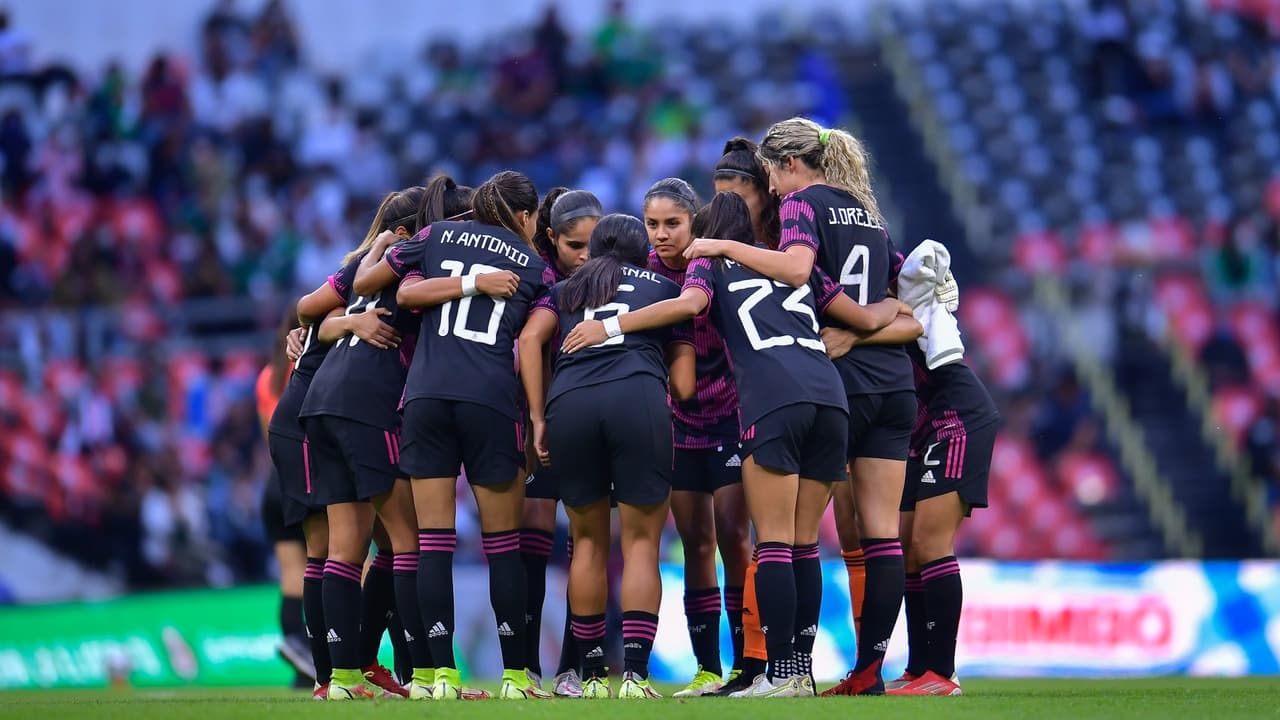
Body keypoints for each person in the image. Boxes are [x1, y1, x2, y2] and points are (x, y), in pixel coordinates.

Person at [561, 192, 905, 698]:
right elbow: (869, 319)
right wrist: (895, 303)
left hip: (772, 401)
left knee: (773, 545)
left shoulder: (709, 264)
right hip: (831, 400)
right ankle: (800, 672)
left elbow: (689, 304)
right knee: (803, 541)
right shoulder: (794, 267)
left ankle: (777, 673)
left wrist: (609, 324)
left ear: (704, 230)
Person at [683, 119, 916, 695]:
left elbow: (789, 267)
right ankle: (837, 672)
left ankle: (777, 671)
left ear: (785, 169)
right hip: (848, 391)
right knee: (839, 539)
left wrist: (713, 247)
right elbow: (888, 311)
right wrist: (878, 317)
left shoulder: (785, 224)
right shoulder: (865, 225)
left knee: (777, 542)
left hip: (789, 392)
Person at [353, 170, 551, 700]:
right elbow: (538, 340)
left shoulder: (434, 238)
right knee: (503, 545)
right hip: (489, 399)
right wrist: (537, 417)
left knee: (432, 543)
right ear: (528, 216)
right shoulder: (535, 264)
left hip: (425, 399)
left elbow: (370, 282)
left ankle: (435, 676)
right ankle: (515, 677)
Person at [520, 213, 696, 699]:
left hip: (569, 405)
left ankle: (592, 675)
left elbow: (530, 340)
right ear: (645, 252)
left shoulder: (567, 290)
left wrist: (538, 416)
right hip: (637, 400)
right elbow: (683, 386)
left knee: (588, 542)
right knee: (641, 544)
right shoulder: (664, 289)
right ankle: (636, 676)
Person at [298, 186, 442, 701]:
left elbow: (307, 311)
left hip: (320, 402)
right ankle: (424, 678)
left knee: (345, 548)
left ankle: (341, 681)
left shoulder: (366, 263)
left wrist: (341, 321)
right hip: (368, 402)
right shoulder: (414, 266)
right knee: (410, 539)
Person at [825, 308, 998, 697]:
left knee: (929, 543)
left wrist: (851, 337)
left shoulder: (882, 307)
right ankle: (919, 667)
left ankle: (943, 672)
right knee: (905, 548)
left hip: (956, 419)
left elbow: (911, 321)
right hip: (920, 433)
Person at [270, 238, 407, 700]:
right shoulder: (367, 270)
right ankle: (335, 675)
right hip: (311, 422)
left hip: (321, 418)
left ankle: (341, 672)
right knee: (332, 550)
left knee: (360, 548)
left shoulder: (375, 270)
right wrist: (346, 321)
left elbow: (312, 317)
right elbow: (310, 311)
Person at [641, 177, 750, 696]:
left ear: (694, 222)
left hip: (730, 417)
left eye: (672, 224)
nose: (662, 235)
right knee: (696, 544)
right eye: (653, 224)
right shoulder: (643, 272)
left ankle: (750, 662)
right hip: (678, 423)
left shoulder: (718, 263)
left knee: (735, 538)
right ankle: (707, 668)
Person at [707, 138, 780, 696]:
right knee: (738, 537)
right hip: (732, 407)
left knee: (774, 537)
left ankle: (776, 662)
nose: (728, 205)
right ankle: (747, 661)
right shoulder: (708, 251)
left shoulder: (791, 243)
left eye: (738, 192)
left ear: (764, 190)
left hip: (776, 400)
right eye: (719, 196)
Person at [524, 187, 603, 697]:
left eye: (594, 245)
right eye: (576, 246)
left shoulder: (610, 278)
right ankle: (525, 663)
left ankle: (573, 666)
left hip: (587, 422)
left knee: (586, 545)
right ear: (551, 238)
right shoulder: (536, 280)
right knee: (531, 542)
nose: (587, 257)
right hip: (537, 426)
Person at [255, 309, 312, 691]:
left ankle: (299, 662)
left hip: (274, 483)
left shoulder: (266, 378)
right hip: (309, 478)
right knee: (350, 567)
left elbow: (269, 438)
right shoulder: (310, 365)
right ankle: (345, 654)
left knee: (293, 575)